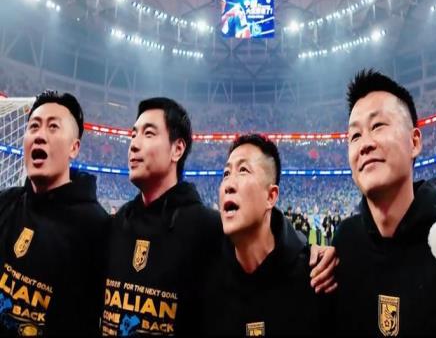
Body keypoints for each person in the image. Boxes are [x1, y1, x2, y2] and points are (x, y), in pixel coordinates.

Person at [101, 98, 336, 336]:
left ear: (177, 149)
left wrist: (310, 252)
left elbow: (263, 241)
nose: (133, 144)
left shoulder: (208, 229)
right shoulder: (114, 225)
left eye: (149, 133)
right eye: (225, 174)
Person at [332, 69, 436, 336]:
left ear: (414, 141)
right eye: (355, 136)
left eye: (378, 126)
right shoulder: (343, 244)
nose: (365, 144)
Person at [0, 90, 109, 336]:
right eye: (34, 126)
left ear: (74, 148)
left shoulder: (98, 228)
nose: (40, 135)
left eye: (53, 127)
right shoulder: (6, 202)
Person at [202, 134, 332, 336]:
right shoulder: (205, 279)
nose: (228, 184)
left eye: (243, 170)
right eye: (226, 173)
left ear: (271, 196)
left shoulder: (316, 278)